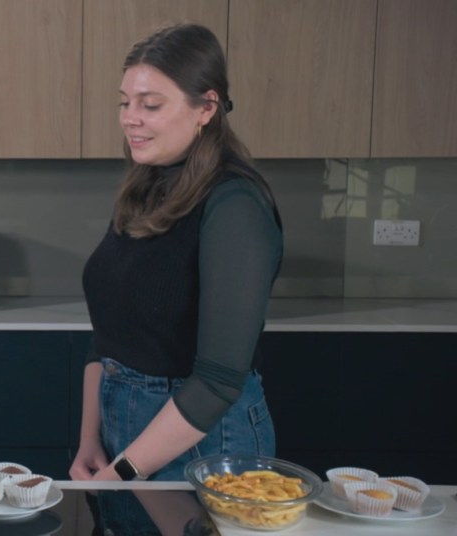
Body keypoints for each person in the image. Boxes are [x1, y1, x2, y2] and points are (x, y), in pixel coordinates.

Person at [70, 22, 283, 487]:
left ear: (206, 107)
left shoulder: (235, 205)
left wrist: (123, 472)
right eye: (125, 103)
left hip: (208, 446)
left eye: (151, 105)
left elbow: (217, 384)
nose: (130, 118)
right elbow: (107, 335)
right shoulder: (145, 185)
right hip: (121, 434)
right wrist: (91, 441)